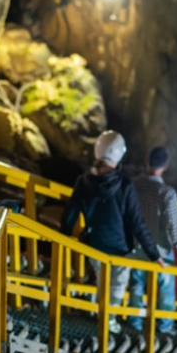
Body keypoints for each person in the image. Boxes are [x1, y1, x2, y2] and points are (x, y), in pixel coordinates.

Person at [61, 131, 163, 334]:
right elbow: (137, 222)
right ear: (120, 155)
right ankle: (109, 321)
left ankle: (102, 316)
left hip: (94, 244)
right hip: (119, 248)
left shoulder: (83, 181)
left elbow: (70, 214)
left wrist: (61, 238)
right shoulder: (125, 185)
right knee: (116, 286)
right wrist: (154, 254)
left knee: (102, 281)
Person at [126, 147, 177, 333]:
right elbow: (176, 232)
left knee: (136, 286)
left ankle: (134, 324)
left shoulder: (132, 186)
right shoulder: (166, 193)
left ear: (146, 159)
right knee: (165, 291)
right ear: (166, 166)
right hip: (161, 253)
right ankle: (164, 327)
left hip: (135, 248)